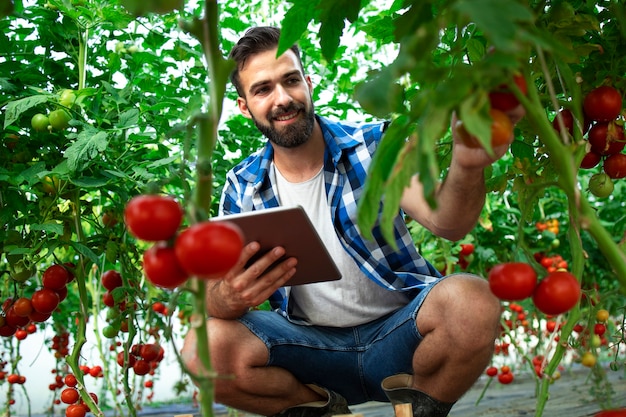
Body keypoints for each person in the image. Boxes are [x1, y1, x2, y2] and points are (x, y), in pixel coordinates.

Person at [181, 26, 524, 417]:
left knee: (473, 301)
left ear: (308, 84)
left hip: (401, 337)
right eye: (262, 89)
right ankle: (323, 409)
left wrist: (466, 164)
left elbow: (448, 223)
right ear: (244, 106)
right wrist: (228, 297)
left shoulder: (375, 145)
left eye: (291, 80)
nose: (283, 98)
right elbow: (210, 300)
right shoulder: (242, 187)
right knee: (203, 348)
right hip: (310, 351)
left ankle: (417, 409)